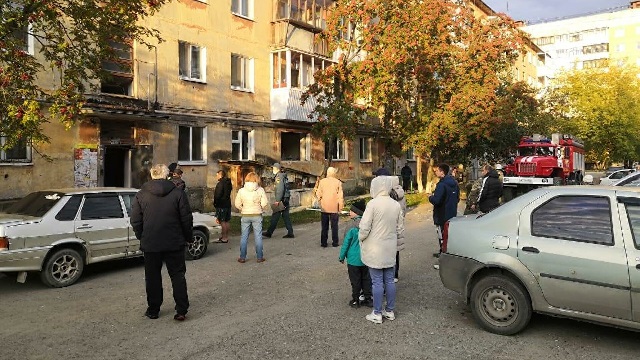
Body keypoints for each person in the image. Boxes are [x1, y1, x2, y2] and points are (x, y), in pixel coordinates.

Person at [130, 164, 193, 321]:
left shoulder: (141, 194)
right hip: (174, 241)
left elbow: (136, 220)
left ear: (152, 175)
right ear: (166, 175)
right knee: (177, 275)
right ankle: (181, 310)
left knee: (152, 277)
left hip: (151, 242)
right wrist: (188, 237)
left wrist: (141, 236)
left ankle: (153, 310)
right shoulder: (178, 193)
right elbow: (186, 219)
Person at [359, 176, 404, 324]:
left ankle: (377, 312)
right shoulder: (395, 204)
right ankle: (389, 310)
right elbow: (400, 228)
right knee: (389, 280)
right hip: (390, 247)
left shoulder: (373, 204)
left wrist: (361, 238)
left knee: (377, 281)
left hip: (375, 248)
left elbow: (365, 227)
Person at [338, 199, 372, 308]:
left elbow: (346, 243)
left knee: (355, 280)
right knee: (366, 279)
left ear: (357, 213)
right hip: (366, 258)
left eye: (352, 211)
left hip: (353, 260)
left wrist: (341, 256)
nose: (349, 212)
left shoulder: (351, 227)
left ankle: (355, 300)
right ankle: (368, 298)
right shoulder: (368, 225)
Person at [429, 163, 459, 269]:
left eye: (437, 170)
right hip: (452, 214)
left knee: (442, 238)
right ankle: (450, 258)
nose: (436, 172)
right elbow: (457, 198)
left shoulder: (441, 185)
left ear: (442, 172)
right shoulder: (454, 183)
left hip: (441, 215)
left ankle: (443, 262)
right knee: (449, 238)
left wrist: (430, 197)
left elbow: (437, 200)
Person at [234, 172, 269, 263]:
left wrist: (243, 208)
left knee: (244, 237)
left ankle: (242, 257)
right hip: (257, 215)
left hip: (245, 215)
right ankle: (259, 257)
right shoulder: (260, 189)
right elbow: (264, 203)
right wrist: (260, 207)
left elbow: (237, 204)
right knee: (258, 236)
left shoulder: (242, 190)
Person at [263, 163, 295, 238]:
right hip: (285, 198)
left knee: (276, 215)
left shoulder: (279, 177)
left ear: (276, 169)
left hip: (281, 199)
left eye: (273, 168)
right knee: (285, 215)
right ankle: (290, 232)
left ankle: (269, 233)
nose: (272, 170)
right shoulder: (283, 175)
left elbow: (280, 189)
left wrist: (277, 200)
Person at [315, 167, 344, 247]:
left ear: (327, 173)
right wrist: (341, 207)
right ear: (334, 173)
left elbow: (318, 194)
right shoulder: (338, 182)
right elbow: (340, 196)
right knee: (334, 226)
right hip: (334, 208)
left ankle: (323, 242)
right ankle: (335, 242)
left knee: (324, 226)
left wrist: (320, 201)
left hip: (324, 207)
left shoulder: (322, 182)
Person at [389, 176, 406, 283]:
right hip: (399, 223)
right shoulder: (402, 193)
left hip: (390, 225)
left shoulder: (391, 194)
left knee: (389, 251)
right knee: (396, 250)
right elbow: (404, 208)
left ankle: (389, 274)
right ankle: (396, 274)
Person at [213, 170, 232, 243]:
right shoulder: (228, 183)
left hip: (221, 205)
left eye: (217, 175)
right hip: (228, 204)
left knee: (222, 221)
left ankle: (224, 237)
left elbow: (217, 195)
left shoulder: (220, 183)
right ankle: (226, 236)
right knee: (227, 221)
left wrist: (215, 203)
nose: (216, 176)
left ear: (220, 175)